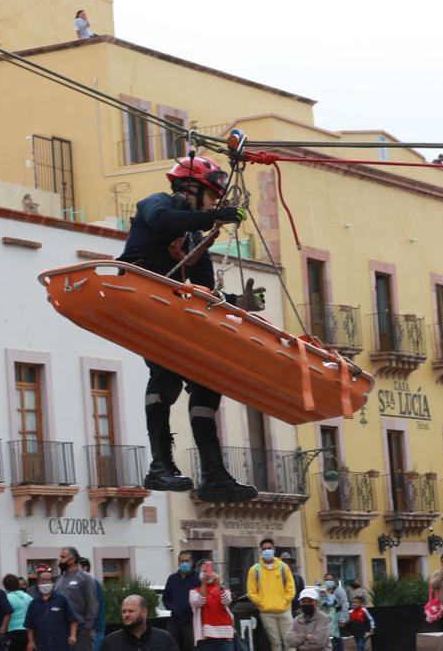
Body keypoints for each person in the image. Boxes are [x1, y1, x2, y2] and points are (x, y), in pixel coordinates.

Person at [118, 155, 258, 499]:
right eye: (212, 197)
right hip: (144, 299)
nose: (214, 205)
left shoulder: (197, 240)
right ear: (191, 189)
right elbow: (164, 222)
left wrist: (238, 301)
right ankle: (160, 466)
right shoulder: (157, 204)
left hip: (175, 311)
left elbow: (206, 289)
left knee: (207, 384)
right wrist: (216, 216)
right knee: (164, 379)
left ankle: (214, 475)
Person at [248, 539, 296, 651]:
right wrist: (262, 604)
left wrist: (284, 602)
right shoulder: (255, 570)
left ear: (274, 550)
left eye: (269, 548)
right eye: (264, 549)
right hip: (267, 613)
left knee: (289, 643)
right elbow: (251, 592)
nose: (267, 551)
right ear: (260, 551)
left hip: (284, 611)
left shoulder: (283, 567)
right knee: (275, 644)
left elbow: (291, 588)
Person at [55, 550, 98, 651]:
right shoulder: (59, 580)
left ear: (72, 559)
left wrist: (88, 628)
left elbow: (92, 604)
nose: (60, 560)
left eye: (63, 557)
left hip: (81, 631)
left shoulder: (85, 578)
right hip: (62, 630)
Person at [98, 596, 176, 651]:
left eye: (131, 611)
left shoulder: (163, 638)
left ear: (144, 612)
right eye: (124, 611)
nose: (126, 615)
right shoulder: (111, 642)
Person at [188, 560, 234, 651]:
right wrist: (204, 583)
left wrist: (219, 583)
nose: (207, 574)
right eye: (203, 571)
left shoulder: (223, 589)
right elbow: (200, 602)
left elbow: (227, 601)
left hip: (225, 633)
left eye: (208, 570)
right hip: (206, 636)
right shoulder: (194, 591)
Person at [25, 574, 78, 651]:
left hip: (61, 644)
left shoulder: (62, 600)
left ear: (53, 583)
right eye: (41, 580)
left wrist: (73, 635)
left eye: (47, 580)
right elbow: (29, 626)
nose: (44, 582)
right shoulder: (34, 603)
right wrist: (31, 642)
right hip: (41, 645)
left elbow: (73, 620)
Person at [161, 551, 198, 651]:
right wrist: (172, 607)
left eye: (187, 561)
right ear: (178, 562)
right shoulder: (172, 578)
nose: (184, 563)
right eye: (182, 561)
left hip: (191, 622)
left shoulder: (198, 578)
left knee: (191, 648)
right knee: (172, 647)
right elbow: (165, 598)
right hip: (174, 622)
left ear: (192, 562)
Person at [74, 559, 105, 651]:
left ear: (84, 568)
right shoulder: (83, 582)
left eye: (77, 567)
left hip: (94, 627)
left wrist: (89, 625)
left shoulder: (92, 582)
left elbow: (95, 605)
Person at [3, 575, 33, 651]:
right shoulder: (28, 597)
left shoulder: (7, 598)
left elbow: (5, 615)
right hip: (29, 631)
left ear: (5, 586)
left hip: (14, 631)